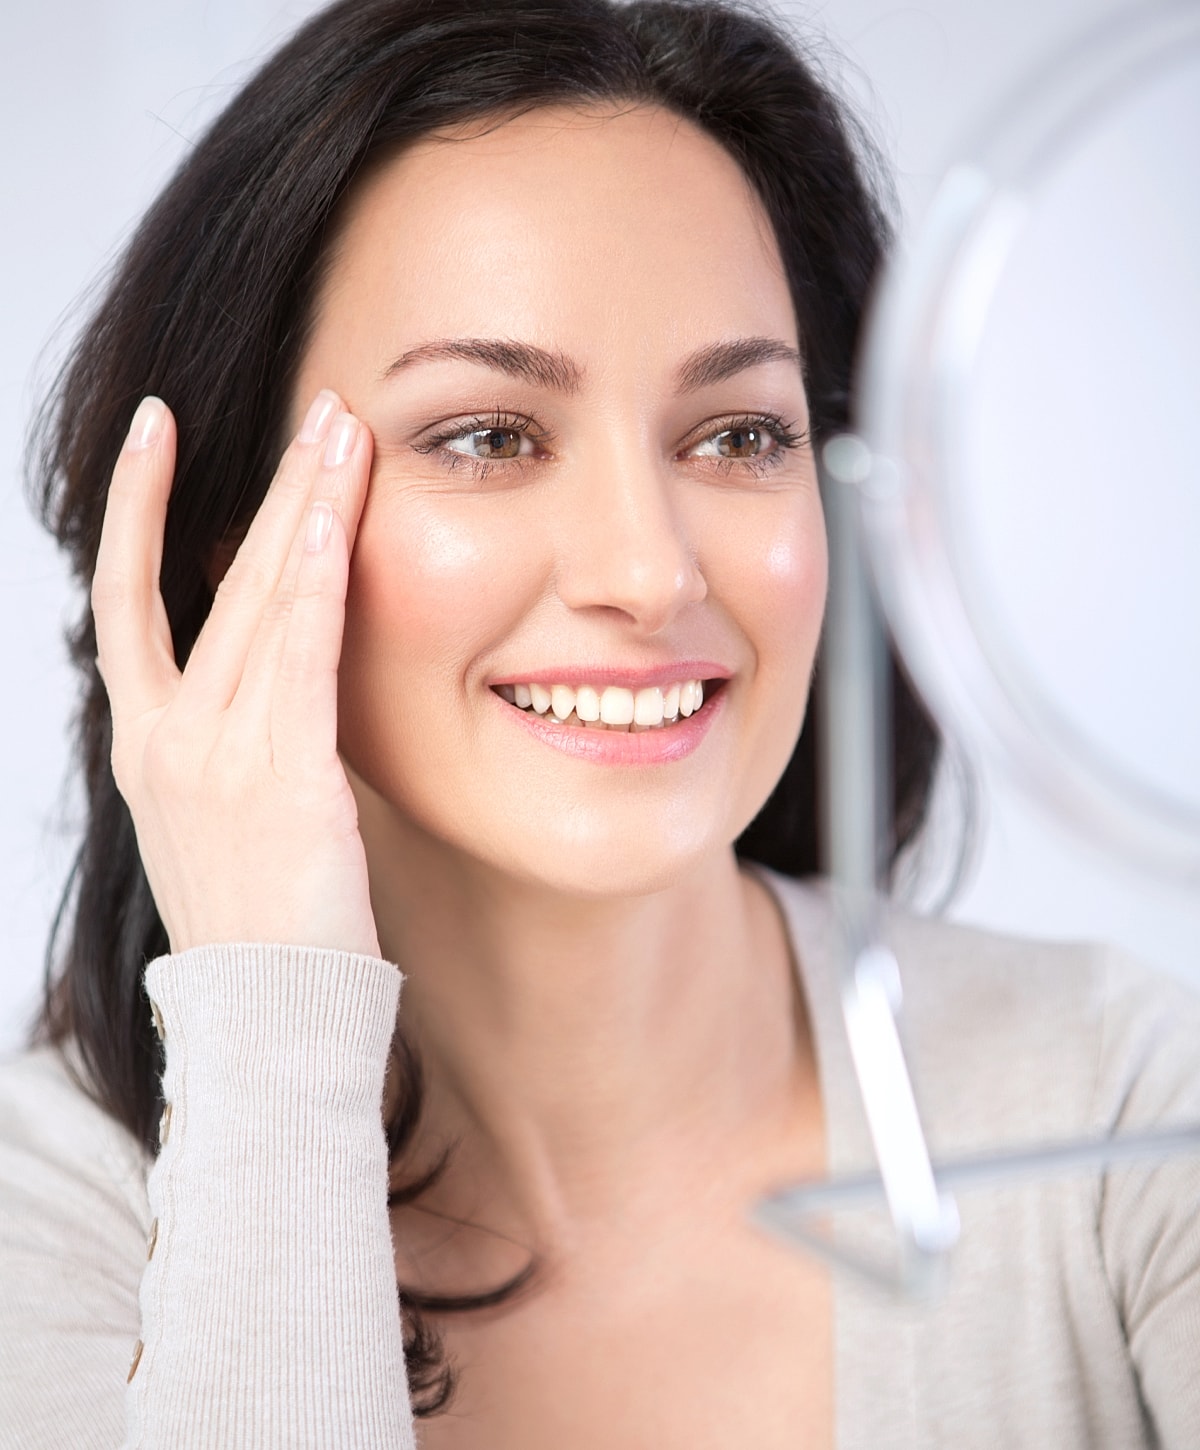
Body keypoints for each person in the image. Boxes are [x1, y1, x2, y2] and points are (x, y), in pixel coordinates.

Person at [2, 0, 1198, 1446]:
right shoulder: (45, 1221)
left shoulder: (1126, 1109)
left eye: (741, 435)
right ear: (223, 541)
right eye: (490, 436)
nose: (649, 570)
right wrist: (268, 1014)